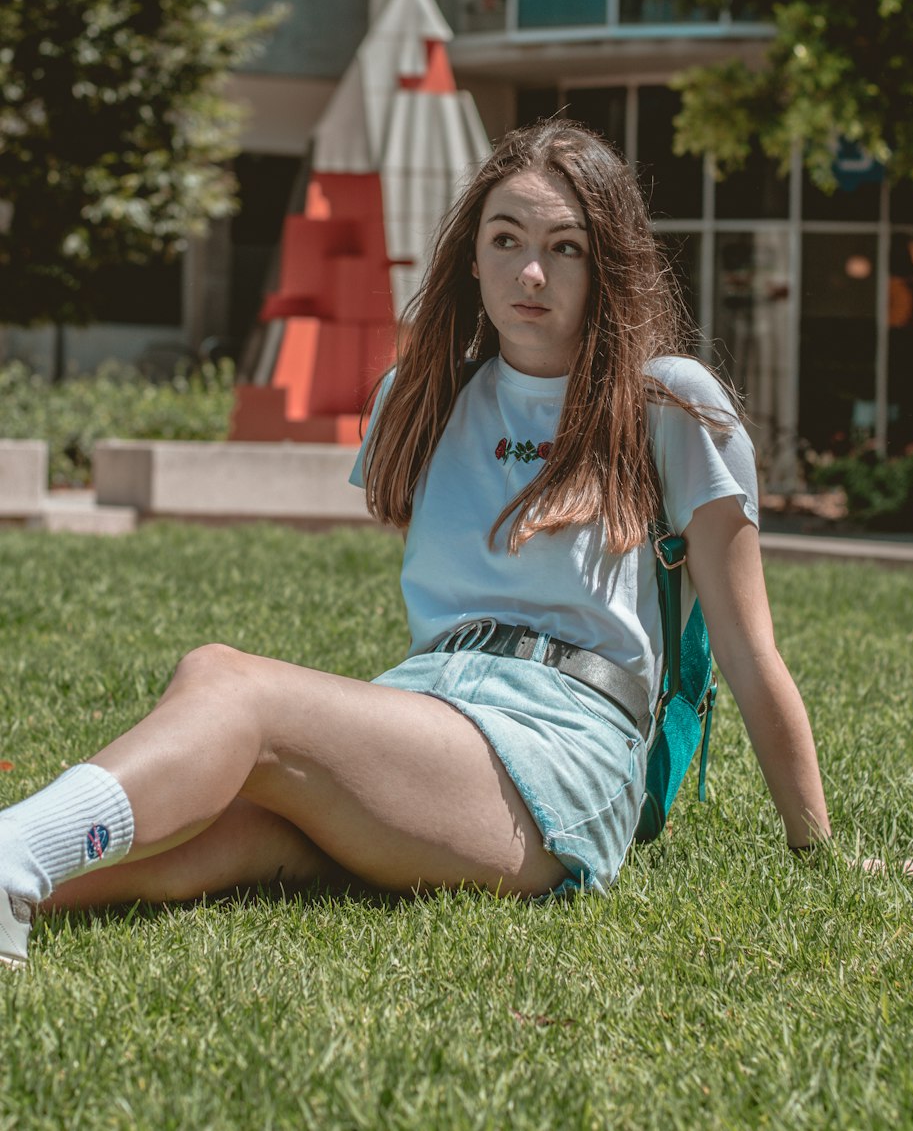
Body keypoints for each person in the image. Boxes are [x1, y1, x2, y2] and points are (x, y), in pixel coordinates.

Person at [0, 120, 831, 970]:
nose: (531, 272)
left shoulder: (670, 403)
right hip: (427, 714)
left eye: (566, 247)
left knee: (229, 685)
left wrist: (818, 850)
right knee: (218, 831)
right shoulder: (422, 396)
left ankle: (12, 853)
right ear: (473, 256)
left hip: (560, 752)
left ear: (607, 263)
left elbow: (747, 648)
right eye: (505, 240)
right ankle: (20, 876)